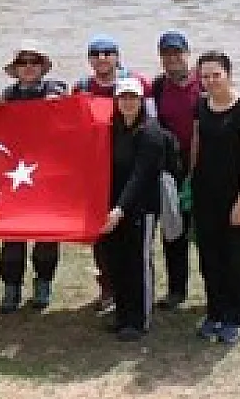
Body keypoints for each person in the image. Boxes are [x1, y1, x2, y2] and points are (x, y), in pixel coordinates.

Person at [72, 34, 155, 314]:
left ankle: (136, 298)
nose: (102, 58)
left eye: (108, 52)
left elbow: (152, 121)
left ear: (118, 56)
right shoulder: (82, 87)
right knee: (102, 237)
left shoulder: (138, 83)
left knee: (134, 242)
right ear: (89, 59)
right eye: (96, 53)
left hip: (132, 169)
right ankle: (108, 290)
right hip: (97, 173)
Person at [191, 51, 240, 345]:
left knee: (235, 257)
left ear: (228, 74)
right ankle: (215, 311)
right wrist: (188, 184)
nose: (210, 81)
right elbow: (196, 145)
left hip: (235, 195)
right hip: (205, 193)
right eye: (204, 76)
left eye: (215, 75)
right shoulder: (201, 105)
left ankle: (235, 317)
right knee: (210, 257)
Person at [0, 40, 68, 313]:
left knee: (46, 233)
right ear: (15, 68)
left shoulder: (55, 90)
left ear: (42, 67)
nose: (28, 67)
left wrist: (59, 105)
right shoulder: (7, 96)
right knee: (13, 234)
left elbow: (72, 112)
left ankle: (43, 281)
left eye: (33, 62)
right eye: (22, 62)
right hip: (15, 174)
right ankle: (11, 286)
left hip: (47, 174)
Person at [99, 78, 167, 342]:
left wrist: (120, 209)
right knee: (116, 260)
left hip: (141, 208)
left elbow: (141, 176)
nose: (128, 102)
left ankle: (140, 319)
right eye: (123, 97)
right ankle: (123, 314)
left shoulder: (151, 133)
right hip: (114, 209)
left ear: (141, 101)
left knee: (137, 261)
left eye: (133, 97)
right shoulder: (113, 129)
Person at [151, 29, 203, 310]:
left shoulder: (205, 83)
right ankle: (176, 290)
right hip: (172, 168)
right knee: (173, 230)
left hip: (205, 168)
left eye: (177, 53)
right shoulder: (157, 87)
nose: (173, 59)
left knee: (207, 233)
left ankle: (215, 289)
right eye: (167, 54)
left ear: (187, 55)